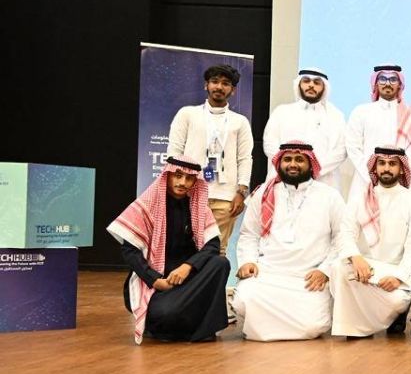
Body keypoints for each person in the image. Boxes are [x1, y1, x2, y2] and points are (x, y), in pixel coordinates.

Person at [107, 155, 230, 344]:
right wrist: (156, 281)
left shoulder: (197, 207)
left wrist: (188, 266)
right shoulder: (147, 206)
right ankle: (173, 322)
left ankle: (198, 328)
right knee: (165, 313)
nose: (183, 182)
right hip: (155, 286)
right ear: (167, 175)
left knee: (220, 263)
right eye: (178, 176)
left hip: (187, 282)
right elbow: (130, 251)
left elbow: (212, 245)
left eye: (189, 178)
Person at [232, 142, 346, 341]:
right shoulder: (263, 193)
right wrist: (247, 261)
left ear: (310, 164)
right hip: (268, 272)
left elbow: (342, 237)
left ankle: (262, 325)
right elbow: (249, 234)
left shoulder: (329, 196)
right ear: (279, 163)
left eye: (299, 159)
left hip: (308, 277)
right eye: (287, 159)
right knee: (242, 301)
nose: (293, 164)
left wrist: (325, 270)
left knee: (314, 326)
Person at [330, 146, 411, 338]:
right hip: (365, 269)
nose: (386, 168)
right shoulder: (359, 199)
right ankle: (356, 326)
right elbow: (345, 233)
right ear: (375, 167)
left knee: (396, 301)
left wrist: (398, 277)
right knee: (338, 267)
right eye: (381, 163)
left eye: (392, 164)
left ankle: (398, 314)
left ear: (402, 169)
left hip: (394, 272)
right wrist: (356, 257)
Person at [166, 63, 253, 253]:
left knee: (217, 250)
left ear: (233, 90)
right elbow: (174, 151)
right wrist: (174, 187)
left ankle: (214, 276)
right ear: (206, 85)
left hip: (225, 198)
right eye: (215, 81)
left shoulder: (240, 122)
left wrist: (241, 192)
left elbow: (245, 158)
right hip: (190, 192)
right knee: (184, 248)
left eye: (225, 83)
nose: (219, 87)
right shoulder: (187, 114)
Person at [345, 64, 411, 197]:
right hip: (364, 182)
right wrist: (372, 176)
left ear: (400, 84)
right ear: (376, 83)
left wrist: (396, 178)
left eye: (393, 79)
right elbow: (353, 148)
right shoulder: (361, 111)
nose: (388, 83)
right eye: (382, 79)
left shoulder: (410, 113)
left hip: (398, 184)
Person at [262, 67, 347, 189]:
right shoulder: (282, 112)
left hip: (323, 181)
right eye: (306, 81)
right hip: (284, 178)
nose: (311, 85)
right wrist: (289, 167)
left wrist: (314, 170)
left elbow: (341, 150)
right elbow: (270, 143)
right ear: (299, 84)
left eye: (317, 82)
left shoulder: (336, 116)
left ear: (324, 88)